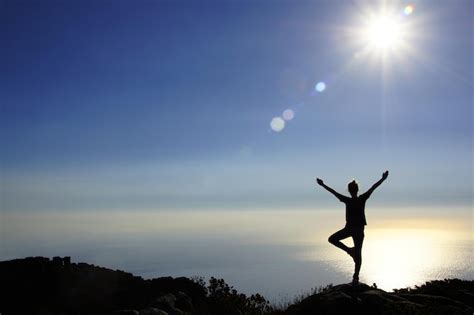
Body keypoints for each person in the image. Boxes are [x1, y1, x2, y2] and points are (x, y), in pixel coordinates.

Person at [316, 171, 389, 285]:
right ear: (357, 189)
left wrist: (322, 185)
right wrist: (383, 179)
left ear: (349, 190)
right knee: (358, 254)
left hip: (350, 229)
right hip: (359, 230)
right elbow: (373, 187)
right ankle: (356, 277)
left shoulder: (348, 200)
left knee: (332, 239)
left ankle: (350, 251)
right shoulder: (362, 198)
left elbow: (333, 192)